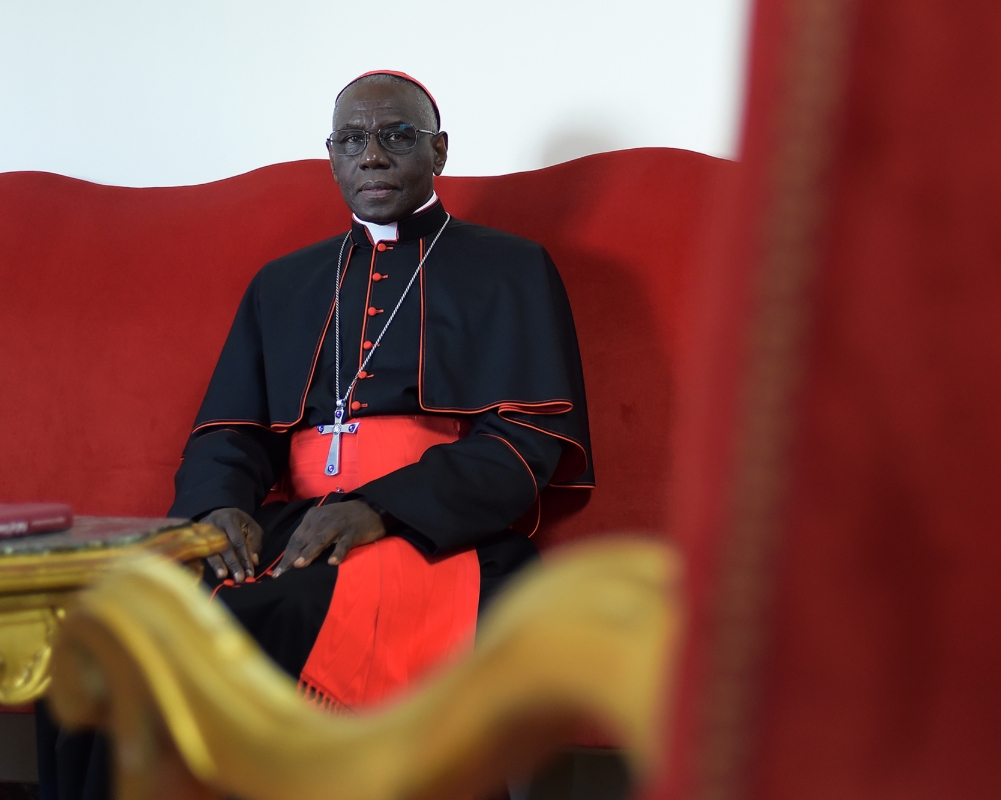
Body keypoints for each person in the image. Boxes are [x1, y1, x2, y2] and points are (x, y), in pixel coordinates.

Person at [37, 70, 592, 800]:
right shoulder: (284, 283)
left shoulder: (510, 269)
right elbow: (228, 432)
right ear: (330, 156)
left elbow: (525, 443)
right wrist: (217, 512)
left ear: (440, 151)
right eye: (352, 140)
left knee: (259, 620)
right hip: (294, 525)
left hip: (439, 534)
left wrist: (382, 508)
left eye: (397, 135)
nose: (372, 156)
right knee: (104, 628)